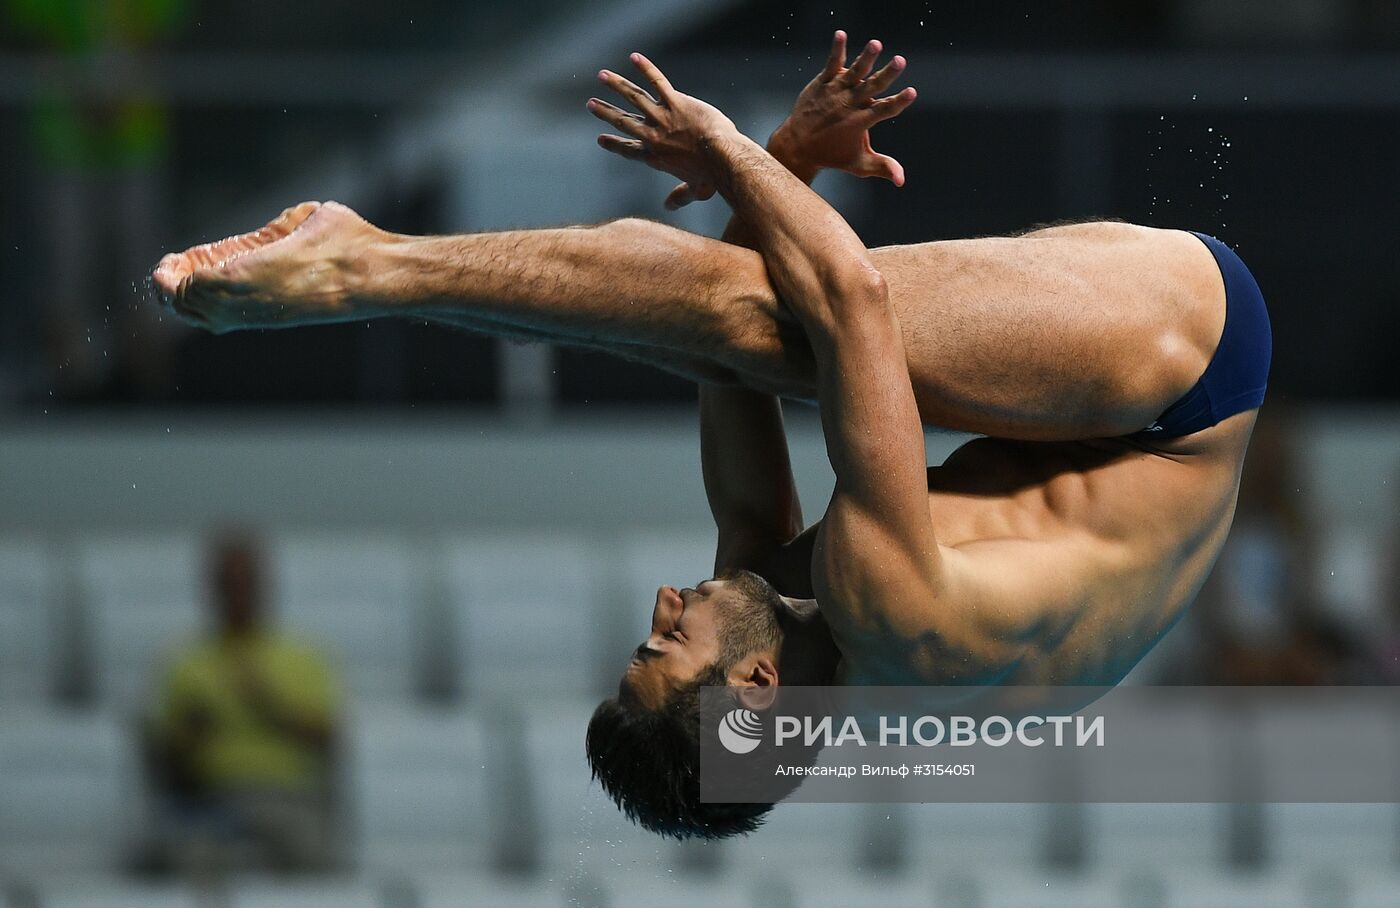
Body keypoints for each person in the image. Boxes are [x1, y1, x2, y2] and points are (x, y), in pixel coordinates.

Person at [150, 34, 1270, 839]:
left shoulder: (781, 610)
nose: (660, 607)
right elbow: (848, 301)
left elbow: (718, 347)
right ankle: (364, 266)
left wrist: (788, 156)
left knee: (727, 335)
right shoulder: (893, 611)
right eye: (662, 645)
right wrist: (732, 142)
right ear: (756, 687)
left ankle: (377, 271)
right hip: (1183, 365)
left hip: (1096, 417)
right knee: (766, 322)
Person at [146, 534, 342, 875]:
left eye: (246, 582)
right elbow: (164, 755)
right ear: (213, 588)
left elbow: (327, 738)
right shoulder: (186, 662)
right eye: (228, 583)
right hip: (212, 799)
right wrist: (192, 733)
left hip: (287, 797)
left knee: (315, 859)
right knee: (187, 858)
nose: (238, 593)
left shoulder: (302, 655)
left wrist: (269, 707)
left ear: (264, 587)